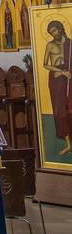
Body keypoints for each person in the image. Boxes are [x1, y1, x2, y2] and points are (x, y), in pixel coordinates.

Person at [42, 19, 72, 156]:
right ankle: (68, 144)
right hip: (56, 79)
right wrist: (60, 71)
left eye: (54, 30)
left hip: (69, 76)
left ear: (60, 29)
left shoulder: (70, 44)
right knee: (60, 110)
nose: (53, 34)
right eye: (50, 32)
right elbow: (45, 64)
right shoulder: (49, 45)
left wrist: (68, 73)